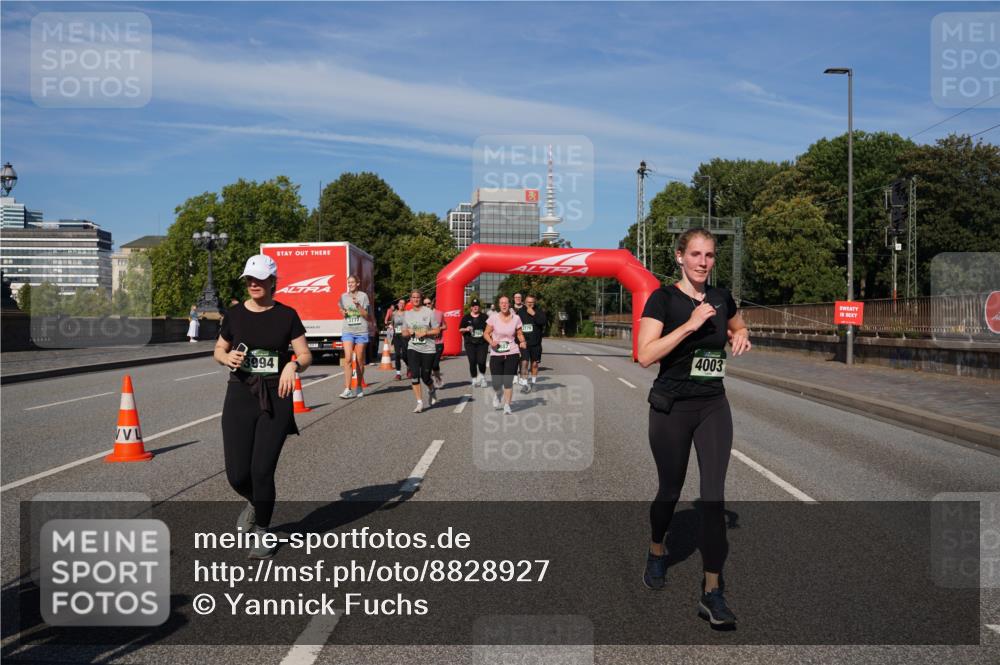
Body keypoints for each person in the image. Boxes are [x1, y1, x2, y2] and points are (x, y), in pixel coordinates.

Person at [636, 228, 751, 628]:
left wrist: (741, 334)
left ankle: (712, 592)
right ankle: (656, 550)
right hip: (672, 408)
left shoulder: (721, 298)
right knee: (670, 489)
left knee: (713, 498)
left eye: (710, 255)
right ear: (680, 257)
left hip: (712, 405)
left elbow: (737, 323)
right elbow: (645, 355)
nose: (704, 262)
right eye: (696, 254)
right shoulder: (663, 299)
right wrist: (689, 324)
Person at [214, 255, 312, 559]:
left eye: (260, 279)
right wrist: (225, 358)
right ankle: (255, 503)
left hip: (276, 398)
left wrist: (292, 367)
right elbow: (219, 348)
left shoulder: (287, 315)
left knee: (261, 470)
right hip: (240, 396)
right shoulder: (234, 315)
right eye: (249, 279)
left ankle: (263, 531)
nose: (254, 284)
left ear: (273, 281)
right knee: (237, 474)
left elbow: (305, 354)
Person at [483, 295, 527, 415]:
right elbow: (486, 333)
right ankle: (498, 394)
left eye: (506, 303)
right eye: (501, 303)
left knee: (508, 381)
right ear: (499, 305)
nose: (504, 305)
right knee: (497, 382)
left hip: (512, 351)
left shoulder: (516, 318)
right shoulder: (493, 318)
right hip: (496, 353)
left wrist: (522, 341)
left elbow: (519, 334)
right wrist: (492, 342)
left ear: (509, 304)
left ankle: (507, 405)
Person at [402, 290, 440, 413]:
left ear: (421, 298)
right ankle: (419, 402)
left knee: (425, 377)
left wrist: (425, 332)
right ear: (410, 299)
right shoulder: (407, 314)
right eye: (413, 297)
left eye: (418, 297)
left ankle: (432, 389)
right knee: (414, 375)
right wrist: (409, 332)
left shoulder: (429, 312)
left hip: (428, 349)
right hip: (413, 347)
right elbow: (403, 332)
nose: (416, 299)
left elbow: (437, 330)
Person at [339, 275, 371, 398]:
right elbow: (341, 310)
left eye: (353, 282)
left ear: (358, 283)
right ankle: (347, 389)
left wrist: (358, 306)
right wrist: (344, 312)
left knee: (359, 360)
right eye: (349, 282)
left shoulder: (363, 296)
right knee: (347, 359)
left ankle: (358, 386)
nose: (350, 284)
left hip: (361, 331)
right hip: (348, 330)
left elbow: (366, 315)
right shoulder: (343, 296)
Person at [517, 295, 547, 392]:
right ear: (525, 302)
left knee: (534, 364)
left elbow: (543, 322)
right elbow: (516, 326)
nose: (530, 304)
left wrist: (534, 314)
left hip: (536, 343)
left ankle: (533, 383)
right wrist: (519, 340)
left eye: (532, 302)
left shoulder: (539, 311)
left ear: (534, 303)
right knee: (524, 363)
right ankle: (525, 384)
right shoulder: (520, 312)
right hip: (524, 343)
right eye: (528, 302)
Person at [460, 298, 489, 387]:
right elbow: (460, 329)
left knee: (481, 361)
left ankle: (482, 378)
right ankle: (474, 379)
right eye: (473, 306)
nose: (475, 307)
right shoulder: (466, 317)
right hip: (470, 343)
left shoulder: (485, 317)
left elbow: (490, 328)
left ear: (479, 307)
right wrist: (466, 329)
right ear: (471, 308)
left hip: (482, 343)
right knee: (472, 361)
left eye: (476, 306)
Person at [424, 296, 446, 389]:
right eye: (424, 304)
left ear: (432, 303)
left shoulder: (439, 313)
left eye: (428, 303)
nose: (427, 305)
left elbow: (445, 326)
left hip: (438, 342)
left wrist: (439, 329)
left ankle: (437, 378)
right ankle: (431, 380)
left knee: (435, 364)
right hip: (427, 343)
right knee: (428, 365)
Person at [389, 298, 409, 380]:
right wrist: (391, 329)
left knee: (404, 355)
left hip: (405, 336)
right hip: (396, 336)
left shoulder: (407, 313)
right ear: (398, 304)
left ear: (405, 305)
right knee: (397, 355)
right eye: (400, 303)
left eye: (403, 303)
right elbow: (392, 324)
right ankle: (398, 374)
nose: (401, 304)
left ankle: (409, 367)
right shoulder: (394, 314)